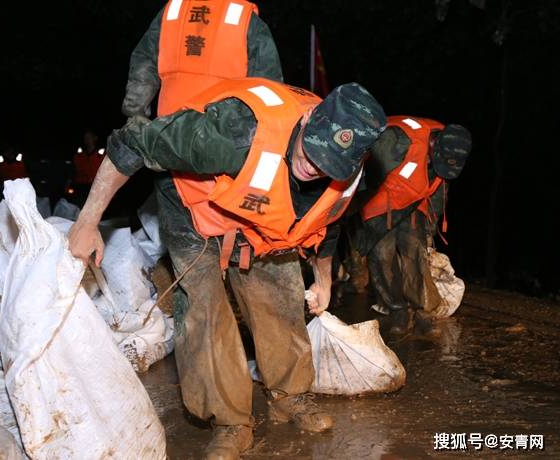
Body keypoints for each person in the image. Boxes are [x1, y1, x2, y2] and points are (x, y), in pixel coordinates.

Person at [69, 77, 386, 459]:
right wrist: (87, 221)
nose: (313, 167)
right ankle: (230, 421)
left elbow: (326, 221)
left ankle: (291, 396)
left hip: (261, 218)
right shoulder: (229, 132)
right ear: (306, 121)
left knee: (281, 298)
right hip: (195, 209)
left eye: (328, 166)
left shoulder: (349, 171)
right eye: (310, 153)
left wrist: (322, 280)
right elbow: (131, 141)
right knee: (206, 312)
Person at [358, 116, 472, 334]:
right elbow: (363, 178)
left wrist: (431, 224)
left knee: (416, 250)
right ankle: (397, 309)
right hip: (379, 201)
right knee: (381, 256)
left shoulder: (452, 147)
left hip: (413, 201)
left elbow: (439, 189)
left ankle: (422, 311)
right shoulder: (396, 142)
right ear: (434, 144)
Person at [122, 0, 282, 119]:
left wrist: (135, 113)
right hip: (222, 131)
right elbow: (267, 84)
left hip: (169, 131)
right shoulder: (244, 17)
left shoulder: (173, 10)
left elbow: (144, 64)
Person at [71, 129, 105, 205]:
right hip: (81, 186)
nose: (87, 140)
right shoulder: (79, 154)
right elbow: (74, 169)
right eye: (85, 138)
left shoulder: (102, 154)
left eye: (89, 137)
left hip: (96, 186)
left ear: (95, 138)